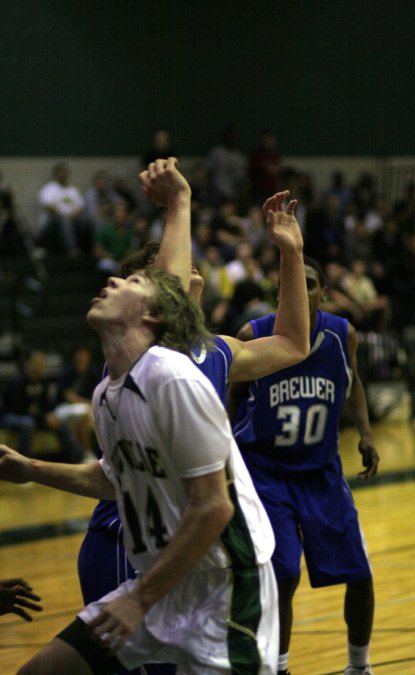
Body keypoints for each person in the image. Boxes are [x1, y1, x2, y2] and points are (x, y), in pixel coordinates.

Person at [77, 158, 310, 675]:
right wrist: (178, 203)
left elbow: (294, 344)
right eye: (180, 269)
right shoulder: (145, 351)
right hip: (127, 538)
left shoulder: (216, 352)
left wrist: (290, 254)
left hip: (197, 551)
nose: (194, 270)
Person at [0, 267, 280, 674]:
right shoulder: (104, 395)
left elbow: (214, 508)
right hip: (163, 580)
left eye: (132, 282)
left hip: (225, 586)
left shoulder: (172, 377)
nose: (113, 281)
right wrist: (30, 468)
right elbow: (112, 479)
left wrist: (139, 599)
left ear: (153, 316)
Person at [229, 255, 379, 675]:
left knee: (360, 573)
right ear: (281, 293)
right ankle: (278, 667)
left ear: (322, 293)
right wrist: (222, 446)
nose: (303, 290)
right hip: (267, 471)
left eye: (311, 283)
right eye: (294, 283)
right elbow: (235, 394)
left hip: (321, 471)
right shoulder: (253, 335)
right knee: (284, 573)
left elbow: (354, 383)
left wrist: (365, 434)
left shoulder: (341, 335)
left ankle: (359, 667)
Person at [0, 351, 84, 463]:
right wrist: (43, 417)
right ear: (28, 364)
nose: (39, 368)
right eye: (36, 364)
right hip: (11, 416)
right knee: (27, 423)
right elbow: (19, 409)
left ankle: (78, 458)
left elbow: (47, 406)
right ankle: (22, 464)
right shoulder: (16, 382)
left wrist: (50, 415)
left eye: (42, 365)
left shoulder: (42, 382)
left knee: (57, 421)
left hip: (34, 417)